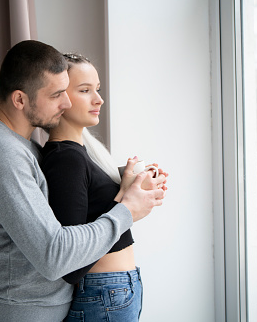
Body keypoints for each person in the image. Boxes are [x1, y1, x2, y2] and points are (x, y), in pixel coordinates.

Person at [0, 40, 166, 322]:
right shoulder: (0, 151)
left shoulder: (20, 146)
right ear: (20, 100)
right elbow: (54, 256)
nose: (66, 103)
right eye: (57, 94)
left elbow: (62, 191)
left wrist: (121, 182)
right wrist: (127, 210)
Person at [40, 52, 168, 321]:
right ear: (59, 97)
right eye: (85, 90)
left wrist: (130, 184)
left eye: (96, 89)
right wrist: (126, 201)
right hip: (105, 293)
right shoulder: (66, 159)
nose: (99, 99)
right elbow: (72, 264)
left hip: (112, 292)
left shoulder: (79, 154)